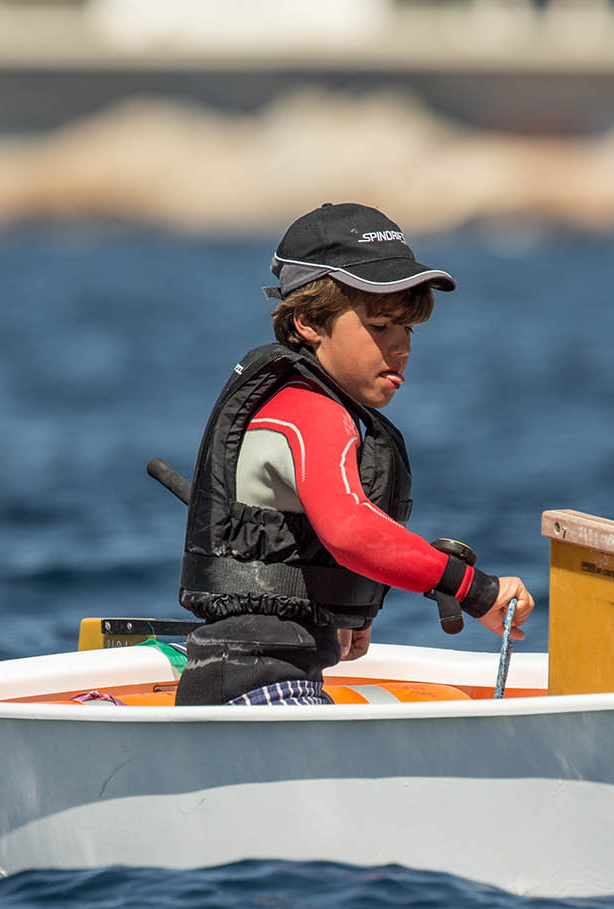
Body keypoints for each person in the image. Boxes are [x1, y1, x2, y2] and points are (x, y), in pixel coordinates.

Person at [175, 202, 535, 706]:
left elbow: (305, 547)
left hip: (248, 675)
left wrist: (343, 612)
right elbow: (351, 532)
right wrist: (474, 590)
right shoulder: (311, 411)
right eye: (380, 326)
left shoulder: (297, 401)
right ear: (307, 321)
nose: (401, 348)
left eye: (407, 329)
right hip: (260, 687)